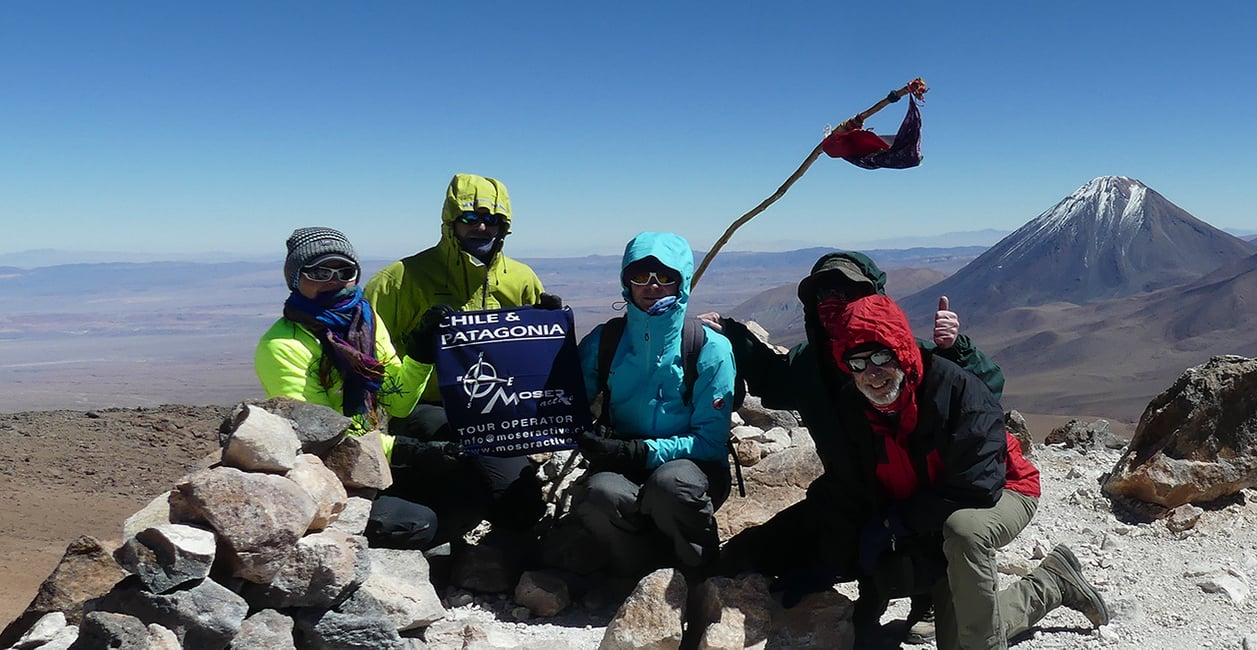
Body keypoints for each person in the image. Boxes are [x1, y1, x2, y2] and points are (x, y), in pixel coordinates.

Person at [704, 252, 1003, 632]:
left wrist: (955, 349)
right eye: (823, 293)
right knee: (745, 557)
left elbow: (982, 392)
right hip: (844, 498)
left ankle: (928, 591)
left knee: (894, 563)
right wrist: (731, 334)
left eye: (847, 291)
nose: (833, 301)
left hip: (913, 505)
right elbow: (770, 379)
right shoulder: (807, 364)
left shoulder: (901, 353)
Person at [822, 294, 1108, 649]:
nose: (872, 372)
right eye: (858, 362)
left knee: (965, 531)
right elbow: (853, 483)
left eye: (881, 356)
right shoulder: (855, 408)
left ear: (901, 351)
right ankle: (1051, 582)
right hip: (931, 512)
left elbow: (979, 485)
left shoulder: (955, 389)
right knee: (963, 632)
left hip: (1003, 489)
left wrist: (897, 523)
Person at [356, 173, 552, 549]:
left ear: (504, 225)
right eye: (469, 218)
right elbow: (367, 357)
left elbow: (536, 355)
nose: (481, 227)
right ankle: (428, 525)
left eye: (491, 220)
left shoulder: (522, 278)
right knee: (458, 451)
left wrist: (549, 325)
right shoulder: (399, 279)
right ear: (450, 222)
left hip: (495, 409)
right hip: (421, 407)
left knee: (521, 507)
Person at [255, 227, 451, 546]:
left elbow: (398, 403)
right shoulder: (282, 345)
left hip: (368, 450)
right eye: (319, 271)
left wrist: (420, 354)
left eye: (345, 270)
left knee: (465, 485)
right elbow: (321, 437)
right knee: (418, 522)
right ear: (295, 278)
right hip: (325, 474)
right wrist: (404, 450)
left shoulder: (365, 320)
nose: (334, 279)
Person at [572, 232, 737, 575]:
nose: (652, 286)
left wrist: (636, 451)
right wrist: (545, 331)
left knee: (670, 486)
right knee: (599, 493)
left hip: (692, 466)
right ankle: (638, 575)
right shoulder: (605, 341)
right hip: (624, 462)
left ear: (681, 282)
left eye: (664, 277)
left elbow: (710, 441)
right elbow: (566, 399)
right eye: (641, 276)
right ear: (625, 281)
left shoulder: (708, 347)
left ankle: (696, 574)